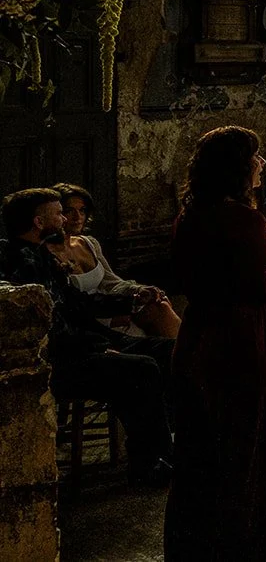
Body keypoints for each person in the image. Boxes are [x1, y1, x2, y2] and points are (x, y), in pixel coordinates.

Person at [166, 126, 266, 560]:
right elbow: (255, 288)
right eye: (255, 157)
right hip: (235, 349)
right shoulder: (244, 220)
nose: (261, 164)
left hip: (197, 337)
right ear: (238, 166)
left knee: (199, 460)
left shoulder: (191, 215)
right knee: (241, 459)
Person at [1, 188, 175, 487]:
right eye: (59, 213)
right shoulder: (21, 265)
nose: (66, 218)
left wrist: (131, 300)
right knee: (142, 368)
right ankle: (148, 464)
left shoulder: (41, 254)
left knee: (169, 350)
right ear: (39, 222)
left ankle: (165, 444)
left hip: (87, 340)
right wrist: (101, 348)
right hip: (63, 359)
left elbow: (78, 302)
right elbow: (50, 330)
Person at [51, 183, 181, 338]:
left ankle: (188, 357)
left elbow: (110, 282)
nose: (77, 217)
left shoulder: (88, 243)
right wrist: (109, 319)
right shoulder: (47, 254)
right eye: (69, 211)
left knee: (160, 306)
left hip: (111, 305)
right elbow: (67, 304)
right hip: (88, 316)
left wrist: (139, 290)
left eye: (82, 210)